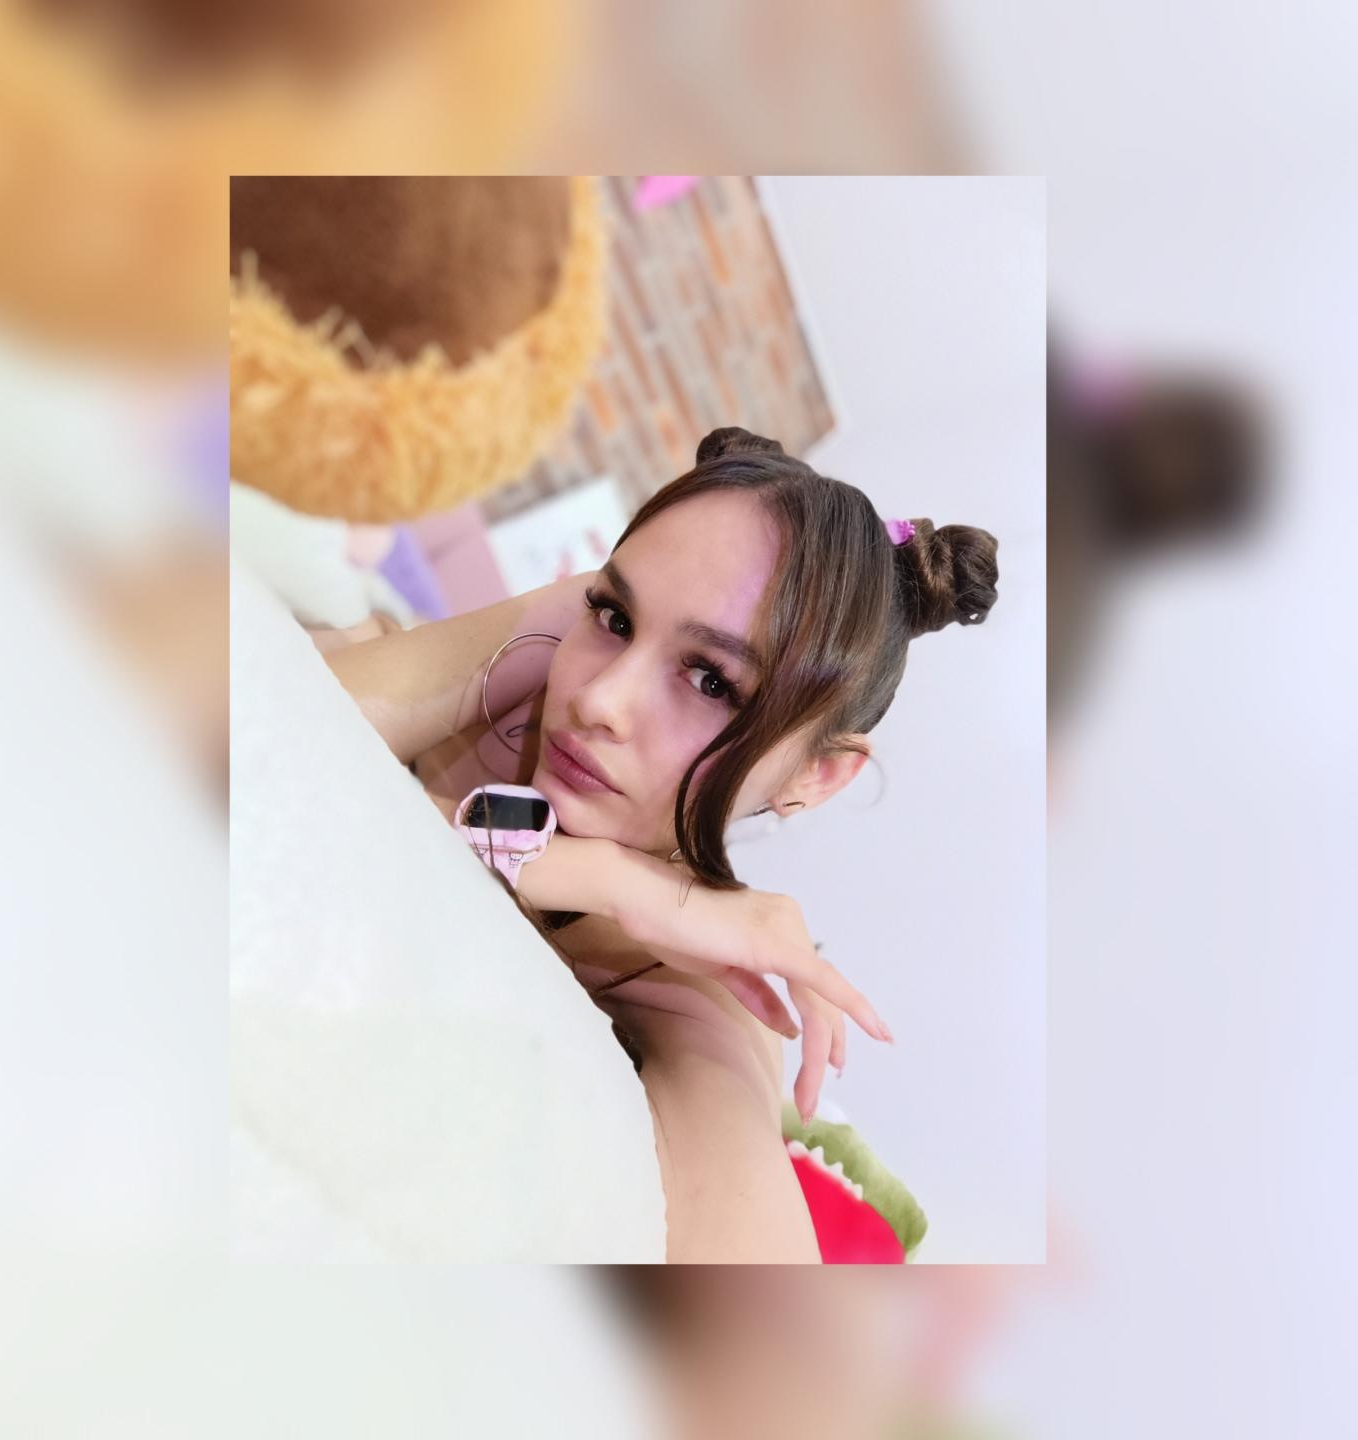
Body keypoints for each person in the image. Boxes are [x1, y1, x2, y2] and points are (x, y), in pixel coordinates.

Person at [326, 426, 999, 1261]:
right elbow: (262, 718)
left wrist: (609, 883)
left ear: (817, 777)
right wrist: (606, 874)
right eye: (613, 615)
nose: (599, 700)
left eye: (712, 680)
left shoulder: (710, 990)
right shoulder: (532, 677)